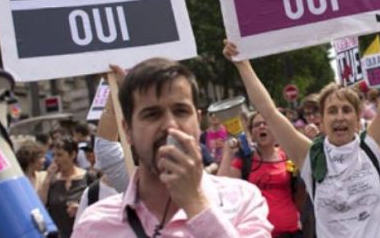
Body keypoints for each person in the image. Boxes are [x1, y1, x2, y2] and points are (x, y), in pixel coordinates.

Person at [223, 6, 380, 238]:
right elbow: (268, 112)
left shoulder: (374, 145)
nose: (340, 116)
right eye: (332, 111)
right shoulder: (309, 156)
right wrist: (242, 63)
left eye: (346, 110)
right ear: (321, 119)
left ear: (358, 115)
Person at [73, 58, 272, 237]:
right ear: (127, 130)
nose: (170, 125)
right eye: (151, 114)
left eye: (181, 111)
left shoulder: (242, 200)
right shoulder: (95, 226)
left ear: (198, 120)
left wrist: (196, 204)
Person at [219, 112, 303, 238]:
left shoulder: (288, 157)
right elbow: (222, 186)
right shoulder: (245, 160)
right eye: (257, 125)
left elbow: (300, 194)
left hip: (291, 232)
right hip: (258, 233)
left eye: (266, 123)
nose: (262, 127)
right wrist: (228, 153)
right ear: (251, 134)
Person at [38, 136, 93, 238]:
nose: (55, 159)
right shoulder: (52, 180)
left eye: (60, 155)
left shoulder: (88, 177)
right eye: (54, 155)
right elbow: (40, 204)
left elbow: (97, 207)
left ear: (72, 154)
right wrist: (47, 178)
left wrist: (81, 209)